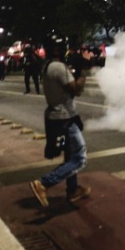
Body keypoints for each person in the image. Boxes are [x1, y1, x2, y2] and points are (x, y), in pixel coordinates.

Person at [28, 44, 92, 208]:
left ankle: (72, 190)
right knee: (80, 158)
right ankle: (43, 183)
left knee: (70, 156)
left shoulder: (48, 66)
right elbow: (77, 89)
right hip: (64, 118)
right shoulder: (58, 67)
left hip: (56, 116)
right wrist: (84, 69)